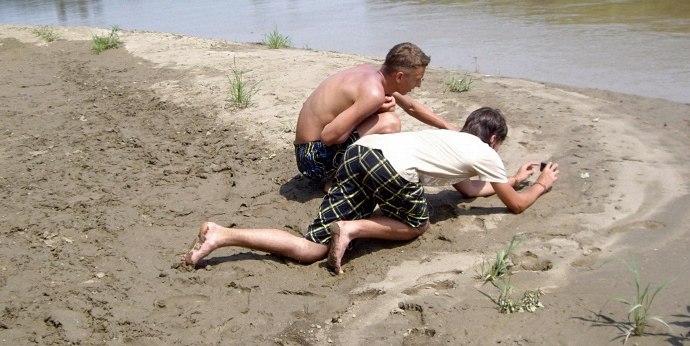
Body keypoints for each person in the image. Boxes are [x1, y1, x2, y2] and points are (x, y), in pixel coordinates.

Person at [184, 107, 559, 274]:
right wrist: (539, 185)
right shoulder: (486, 153)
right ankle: (353, 229)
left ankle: (222, 234)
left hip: (360, 154)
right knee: (417, 224)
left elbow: (468, 189)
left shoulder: (451, 139)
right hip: (390, 167)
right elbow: (516, 207)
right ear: (494, 139)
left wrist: (512, 180)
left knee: (311, 249)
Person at [293, 42, 457, 184]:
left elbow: (411, 107)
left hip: (307, 150)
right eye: (417, 79)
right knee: (390, 122)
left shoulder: (372, 74)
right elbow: (329, 136)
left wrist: (450, 128)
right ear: (399, 76)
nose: (419, 84)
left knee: (385, 118)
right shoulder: (373, 93)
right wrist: (373, 111)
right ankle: (338, 181)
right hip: (313, 161)